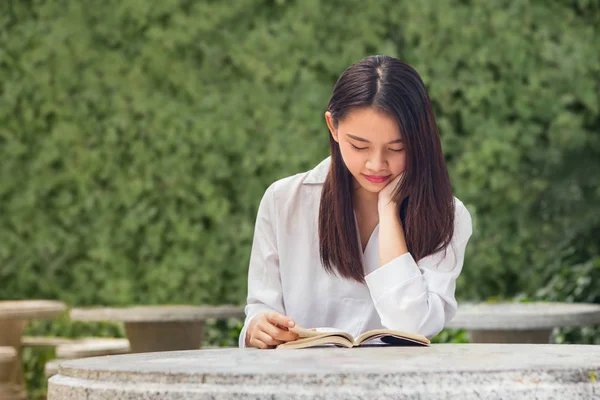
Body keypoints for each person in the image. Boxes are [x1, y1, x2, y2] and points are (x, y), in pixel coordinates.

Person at [240, 55, 473, 349]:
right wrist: (258, 328)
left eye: (396, 148)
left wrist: (388, 212)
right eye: (359, 146)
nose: (377, 164)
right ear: (333, 127)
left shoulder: (446, 215)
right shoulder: (284, 200)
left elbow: (412, 326)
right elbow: (260, 310)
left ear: (421, 140)